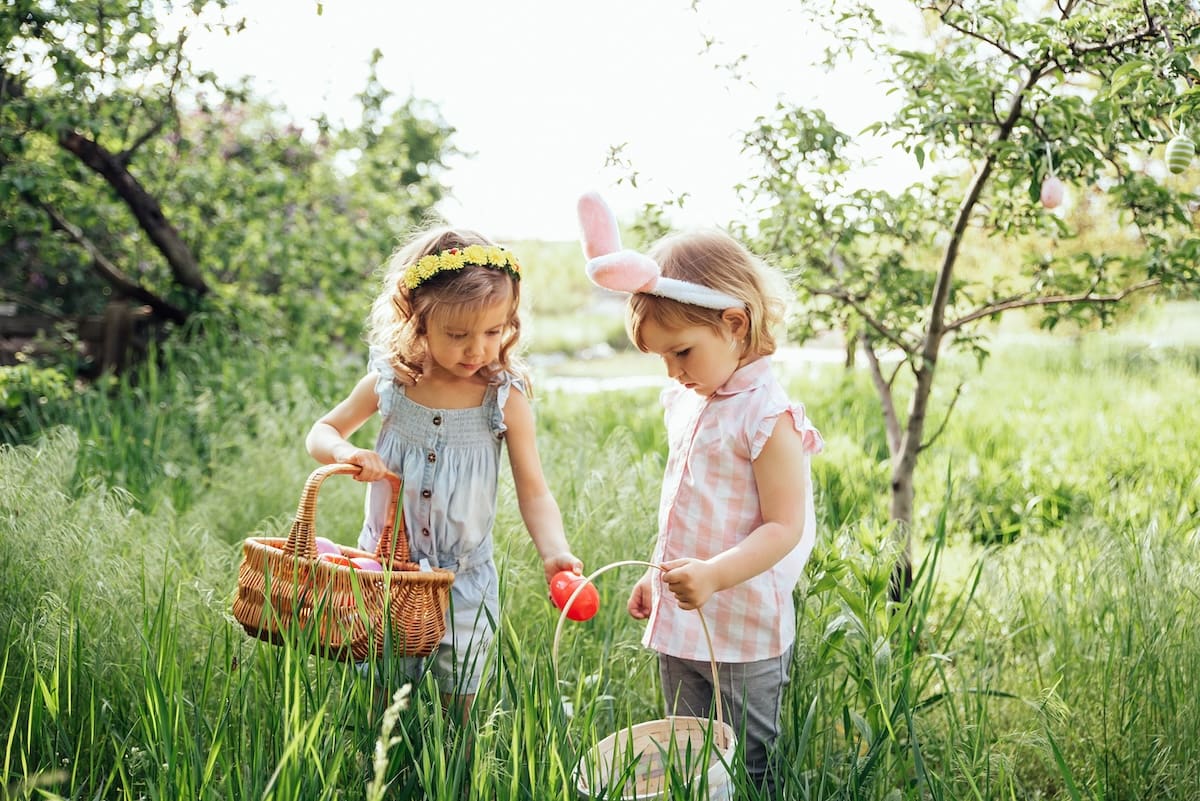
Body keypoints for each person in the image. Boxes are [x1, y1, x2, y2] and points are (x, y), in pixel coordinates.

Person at [577, 192, 823, 795]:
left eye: (681, 351)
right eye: (662, 357)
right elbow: (686, 503)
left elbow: (783, 526)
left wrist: (714, 574)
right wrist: (656, 573)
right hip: (685, 618)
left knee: (746, 763)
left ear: (734, 324)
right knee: (685, 751)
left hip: (742, 626)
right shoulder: (689, 401)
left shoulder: (768, 416)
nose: (673, 371)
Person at [307, 227, 583, 720]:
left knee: (463, 698)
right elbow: (322, 430)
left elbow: (534, 491)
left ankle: (456, 771)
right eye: (457, 335)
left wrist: (555, 551)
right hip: (385, 571)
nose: (477, 349)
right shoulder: (391, 384)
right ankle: (382, 769)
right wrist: (345, 452)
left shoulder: (504, 397)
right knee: (380, 691)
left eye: (494, 332)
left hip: (464, 577)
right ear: (417, 321)